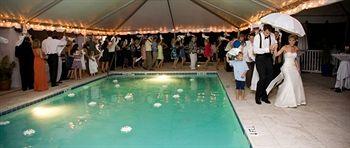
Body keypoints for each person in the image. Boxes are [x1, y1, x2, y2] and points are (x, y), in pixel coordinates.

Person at [266, 35, 306, 107]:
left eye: (293, 40)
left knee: (296, 82)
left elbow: (296, 59)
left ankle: (295, 100)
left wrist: (298, 68)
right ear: (288, 40)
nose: (291, 42)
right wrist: (275, 48)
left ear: (295, 41)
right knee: (289, 82)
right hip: (286, 67)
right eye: (290, 40)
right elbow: (276, 54)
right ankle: (286, 100)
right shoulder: (285, 47)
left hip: (293, 67)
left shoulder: (296, 48)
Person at [253, 24, 277, 105]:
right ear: (263, 30)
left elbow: (275, 43)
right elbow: (255, 50)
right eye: (266, 33)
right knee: (262, 77)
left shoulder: (272, 36)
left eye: (269, 33)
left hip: (269, 58)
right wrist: (268, 49)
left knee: (270, 77)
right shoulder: (257, 37)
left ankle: (264, 96)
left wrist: (275, 46)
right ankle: (257, 96)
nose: (268, 34)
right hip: (260, 58)